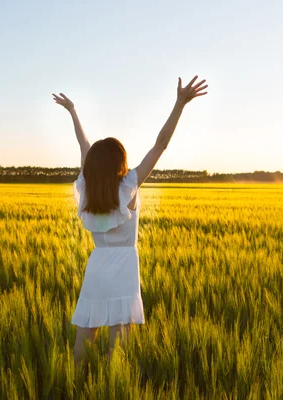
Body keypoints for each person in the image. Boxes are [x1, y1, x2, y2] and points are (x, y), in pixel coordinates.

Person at [52, 75, 208, 371]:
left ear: (92, 167)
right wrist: (179, 104)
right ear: (119, 163)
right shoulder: (130, 185)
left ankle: (75, 385)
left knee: (84, 338)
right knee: (117, 348)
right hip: (124, 270)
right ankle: (112, 388)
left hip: (97, 267)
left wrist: (73, 111)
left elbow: (84, 144)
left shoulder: (87, 188)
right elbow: (160, 145)